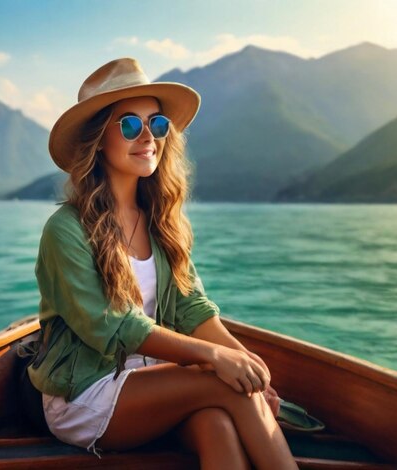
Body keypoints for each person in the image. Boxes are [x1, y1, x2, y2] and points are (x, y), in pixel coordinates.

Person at [27, 57, 298, 469]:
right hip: (85, 393)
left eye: (157, 125)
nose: (148, 137)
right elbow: (114, 326)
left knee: (217, 424)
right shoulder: (65, 230)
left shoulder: (162, 222)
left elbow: (193, 309)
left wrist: (252, 368)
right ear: (100, 139)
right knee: (223, 384)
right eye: (131, 125)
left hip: (157, 380)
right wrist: (214, 358)